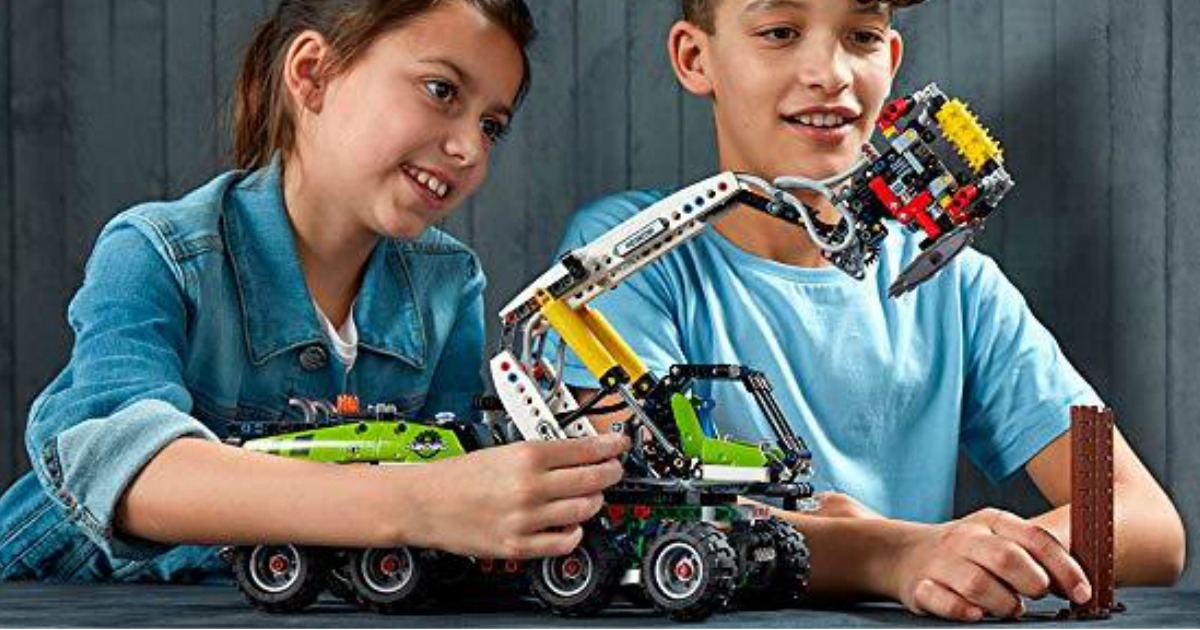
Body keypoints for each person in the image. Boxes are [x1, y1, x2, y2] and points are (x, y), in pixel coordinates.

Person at [552, 0, 1184, 621]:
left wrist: (978, 557)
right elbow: (629, 513)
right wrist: (893, 553)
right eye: (780, 31)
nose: (830, 73)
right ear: (696, 57)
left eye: (862, 35)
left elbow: (1147, 521)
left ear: (894, 59)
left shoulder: (954, 281)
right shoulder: (620, 254)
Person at [0, 0, 627, 583]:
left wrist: (560, 453)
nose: (468, 149)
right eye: (441, 91)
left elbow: (456, 471)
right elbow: (124, 471)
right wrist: (416, 503)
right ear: (313, 74)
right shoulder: (157, 253)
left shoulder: (448, 282)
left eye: (492, 126)